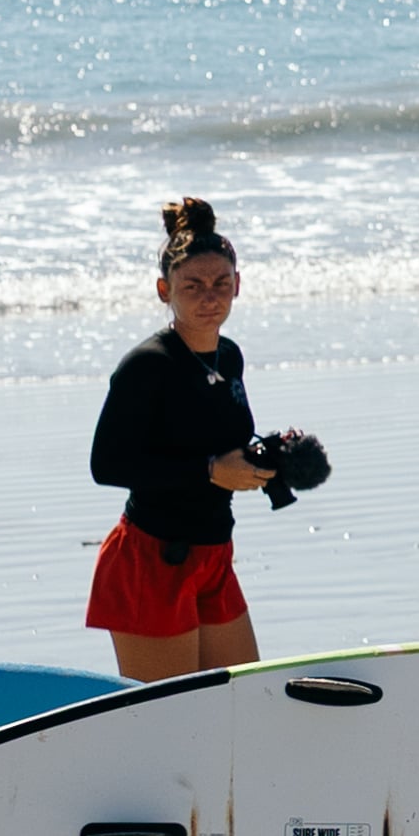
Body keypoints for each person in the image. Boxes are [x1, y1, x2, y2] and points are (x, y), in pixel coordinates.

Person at [85, 198, 304, 682]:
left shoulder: (229, 357)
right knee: (169, 722)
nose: (210, 296)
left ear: (238, 285)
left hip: (214, 555)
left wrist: (273, 460)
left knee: (244, 702)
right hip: (152, 559)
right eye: (194, 286)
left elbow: (220, 440)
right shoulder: (147, 365)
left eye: (221, 283)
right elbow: (107, 465)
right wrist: (208, 470)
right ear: (165, 289)